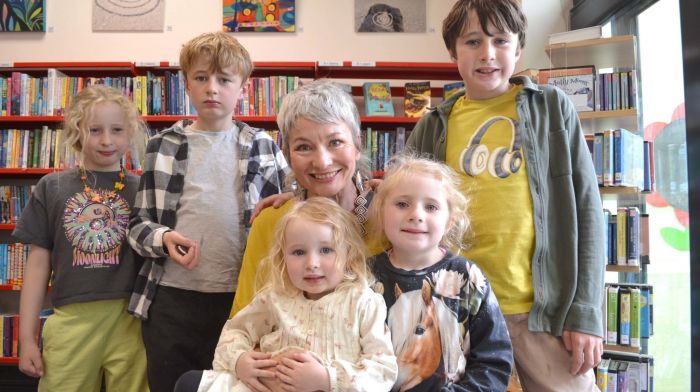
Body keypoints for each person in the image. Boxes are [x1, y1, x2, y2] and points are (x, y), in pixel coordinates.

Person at [405, 1, 606, 390]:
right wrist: (301, 196)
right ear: (453, 51)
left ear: (517, 49)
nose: (487, 54)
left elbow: (587, 211)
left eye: (500, 40)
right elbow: (394, 205)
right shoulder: (432, 126)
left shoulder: (552, 108)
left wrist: (585, 313)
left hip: (541, 316)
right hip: (455, 313)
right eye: (473, 41)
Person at [127, 31, 289, 392]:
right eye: (201, 78)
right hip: (171, 299)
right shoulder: (161, 145)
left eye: (224, 79)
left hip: (244, 299)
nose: (212, 88)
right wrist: (164, 237)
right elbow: (137, 225)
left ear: (243, 88)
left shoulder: (264, 145)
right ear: (186, 84)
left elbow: (290, 214)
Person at [175, 197, 398, 392]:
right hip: (269, 386)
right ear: (283, 257)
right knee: (188, 383)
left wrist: (326, 379)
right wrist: (240, 361)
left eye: (326, 250)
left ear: (348, 255)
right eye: (299, 252)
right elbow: (234, 332)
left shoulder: (363, 302)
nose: (312, 264)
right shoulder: (275, 298)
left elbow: (383, 370)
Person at [14, 85, 148, 391]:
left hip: (130, 320)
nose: (106, 140)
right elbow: (36, 266)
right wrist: (26, 338)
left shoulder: (142, 188)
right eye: (95, 130)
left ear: (129, 134)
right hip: (71, 321)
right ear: (77, 132)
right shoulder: (53, 187)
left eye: (116, 130)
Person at [231, 79, 377, 316]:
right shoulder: (271, 222)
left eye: (336, 142)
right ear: (287, 155)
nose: (322, 162)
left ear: (357, 144)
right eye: (304, 147)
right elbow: (244, 320)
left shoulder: (392, 219)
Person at [367, 156, 512, 391]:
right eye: (402, 204)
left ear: (449, 221)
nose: (416, 214)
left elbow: (493, 360)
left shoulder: (467, 278)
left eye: (431, 207)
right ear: (382, 211)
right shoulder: (363, 277)